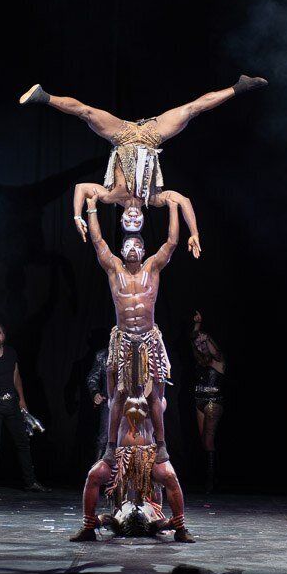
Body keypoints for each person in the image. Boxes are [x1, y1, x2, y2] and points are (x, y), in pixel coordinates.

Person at [19, 75, 268, 257]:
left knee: (87, 113)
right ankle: (239, 86)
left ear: (122, 220)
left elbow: (81, 187)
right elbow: (183, 201)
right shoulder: (154, 199)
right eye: (137, 222)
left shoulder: (111, 196)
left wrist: (77, 215)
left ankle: (43, 96)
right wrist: (194, 232)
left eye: (129, 221)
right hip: (151, 135)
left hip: (123, 135)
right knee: (192, 109)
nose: (133, 217)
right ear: (142, 221)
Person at [68, 194, 193, 542]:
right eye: (130, 245)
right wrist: (91, 208)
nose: (135, 249)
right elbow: (97, 241)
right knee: (117, 396)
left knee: (155, 396)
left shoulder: (154, 267)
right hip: (123, 339)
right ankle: (109, 446)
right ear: (124, 251)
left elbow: (171, 241)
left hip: (149, 339)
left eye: (140, 244)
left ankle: (163, 444)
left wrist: (171, 207)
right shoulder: (113, 269)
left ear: (144, 248)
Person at [0, 323, 48, 494]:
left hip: (12, 402)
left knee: (22, 443)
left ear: (4, 335)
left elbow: (16, 377)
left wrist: (21, 399)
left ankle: (30, 482)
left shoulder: (11, 353)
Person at [191, 310, 226, 494]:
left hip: (213, 401)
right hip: (199, 400)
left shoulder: (217, 362)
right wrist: (197, 326)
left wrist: (207, 340)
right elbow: (194, 340)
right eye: (199, 344)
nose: (201, 346)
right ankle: (209, 477)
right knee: (203, 441)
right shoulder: (200, 362)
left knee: (209, 440)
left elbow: (217, 353)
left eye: (204, 344)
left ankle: (211, 481)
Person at [85, 347, 109, 461]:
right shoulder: (102, 355)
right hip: (109, 403)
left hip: (130, 403)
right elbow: (92, 378)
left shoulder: (136, 354)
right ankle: (97, 473)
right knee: (103, 439)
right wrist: (95, 393)